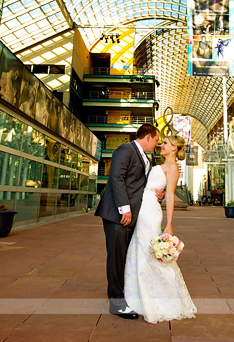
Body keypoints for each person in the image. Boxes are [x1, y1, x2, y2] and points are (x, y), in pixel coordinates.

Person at [123, 134, 197, 323]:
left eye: (165, 143)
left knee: (149, 251)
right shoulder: (159, 165)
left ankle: (160, 298)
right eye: (161, 142)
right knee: (138, 250)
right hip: (143, 207)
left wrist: (169, 224)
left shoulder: (172, 168)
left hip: (150, 213)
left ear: (174, 148)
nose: (161, 145)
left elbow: (170, 196)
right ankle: (136, 296)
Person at [95, 124, 162, 319]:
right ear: (148, 136)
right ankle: (116, 303)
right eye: (157, 140)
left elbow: (142, 185)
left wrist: (158, 194)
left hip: (132, 216)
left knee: (125, 258)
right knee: (116, 258)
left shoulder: (146, 158)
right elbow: (116, 178)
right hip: (117, 214)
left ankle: (125, 295)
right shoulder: (125, 149)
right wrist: (124, 208)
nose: (157, 144)